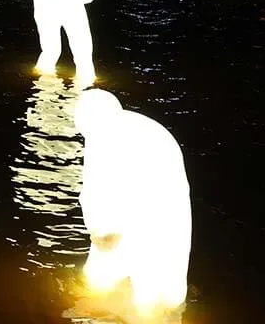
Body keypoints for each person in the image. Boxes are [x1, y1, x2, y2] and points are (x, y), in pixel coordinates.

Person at [75, 89, 191, 315]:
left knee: (144, 294)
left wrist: (100, 232)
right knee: (163, 293)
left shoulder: (102, 137)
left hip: (153, 215)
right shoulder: (141, 127)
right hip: (170, 213)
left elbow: (93, 193)